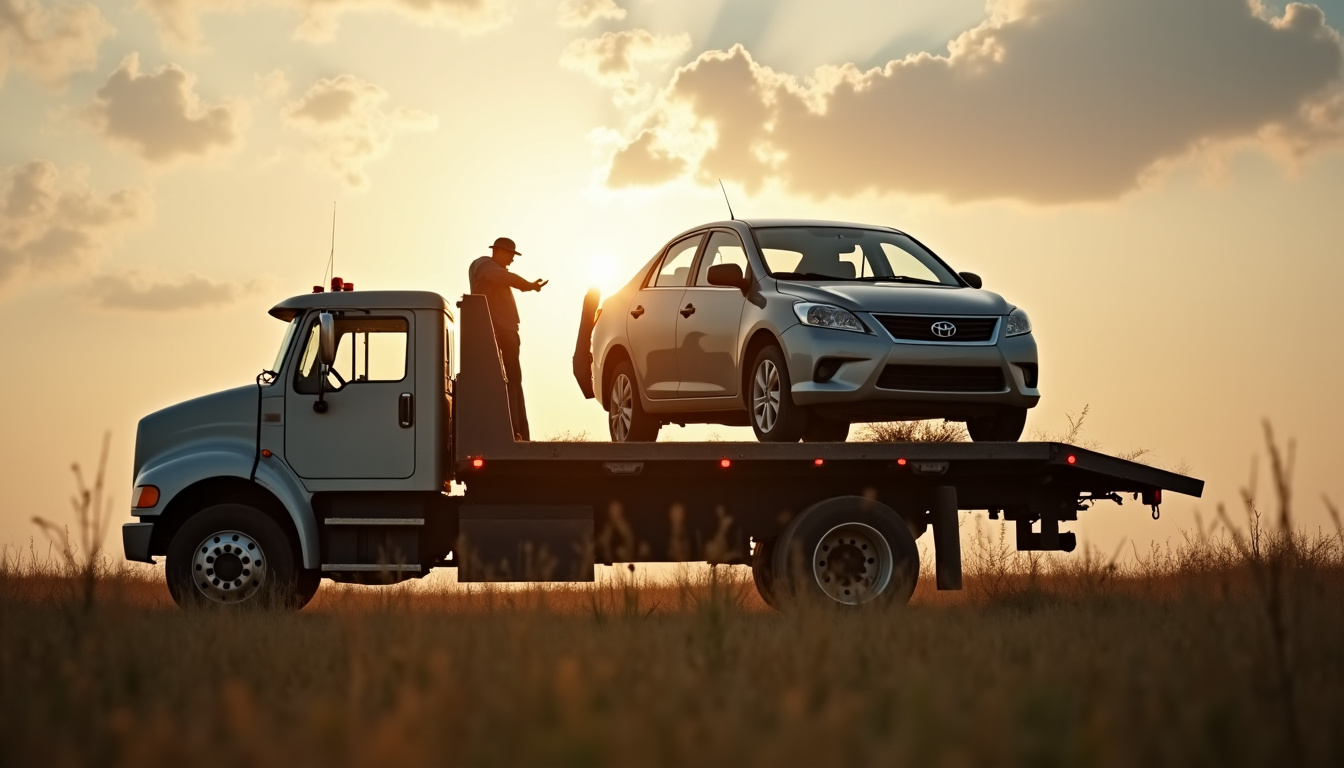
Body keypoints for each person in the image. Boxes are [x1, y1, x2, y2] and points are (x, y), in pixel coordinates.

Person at [469, 236, 547, 440]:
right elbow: (506, 278)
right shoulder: (485, 265)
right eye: (511, 255)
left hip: (504, 330)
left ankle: (518, 430)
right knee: (511, 381)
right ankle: (513, 431)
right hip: (500, 331)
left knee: (513, 381)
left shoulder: (493, 270)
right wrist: (529, 285)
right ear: (499, 252)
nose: (512, 260)